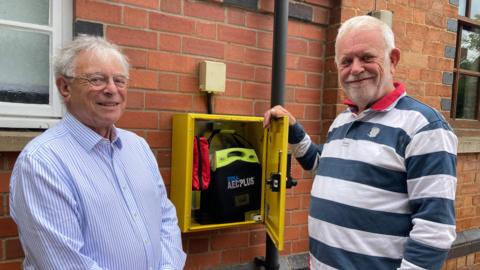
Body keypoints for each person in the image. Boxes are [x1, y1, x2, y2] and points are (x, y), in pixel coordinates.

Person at [264, 15, 457, 269]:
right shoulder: (342, 120)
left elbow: (435, 230)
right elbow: (322, 167)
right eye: (346, 61)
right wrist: (293, 129)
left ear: (393, 59)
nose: (355, 68)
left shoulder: (423, 127)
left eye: (366, 57)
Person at [10, 35, 186, 269]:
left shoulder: (138, 147)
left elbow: (165, 218)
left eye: (120, 80)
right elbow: (65, 263)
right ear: (64, 87)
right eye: (96, 79)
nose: (112, 90)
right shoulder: (42, 162)